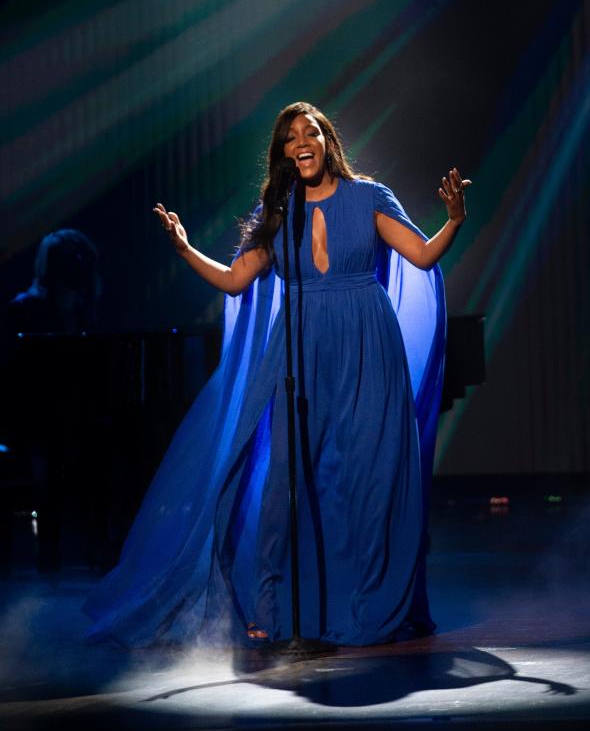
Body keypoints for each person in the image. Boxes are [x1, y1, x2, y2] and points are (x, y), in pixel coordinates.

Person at [83, 102, 467, 647]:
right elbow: (237, 279)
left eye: (309, 132)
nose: (300, 143)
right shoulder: (280, 211)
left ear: (327, 140)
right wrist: (186, 247)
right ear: (283, 152)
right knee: (288, 478)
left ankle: (373, 599)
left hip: (367, 344)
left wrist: (452, 218)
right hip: (300, 350)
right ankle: (272, 603)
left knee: (372, 476)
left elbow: (423, 257)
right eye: (289, 138)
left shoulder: (369, 198)